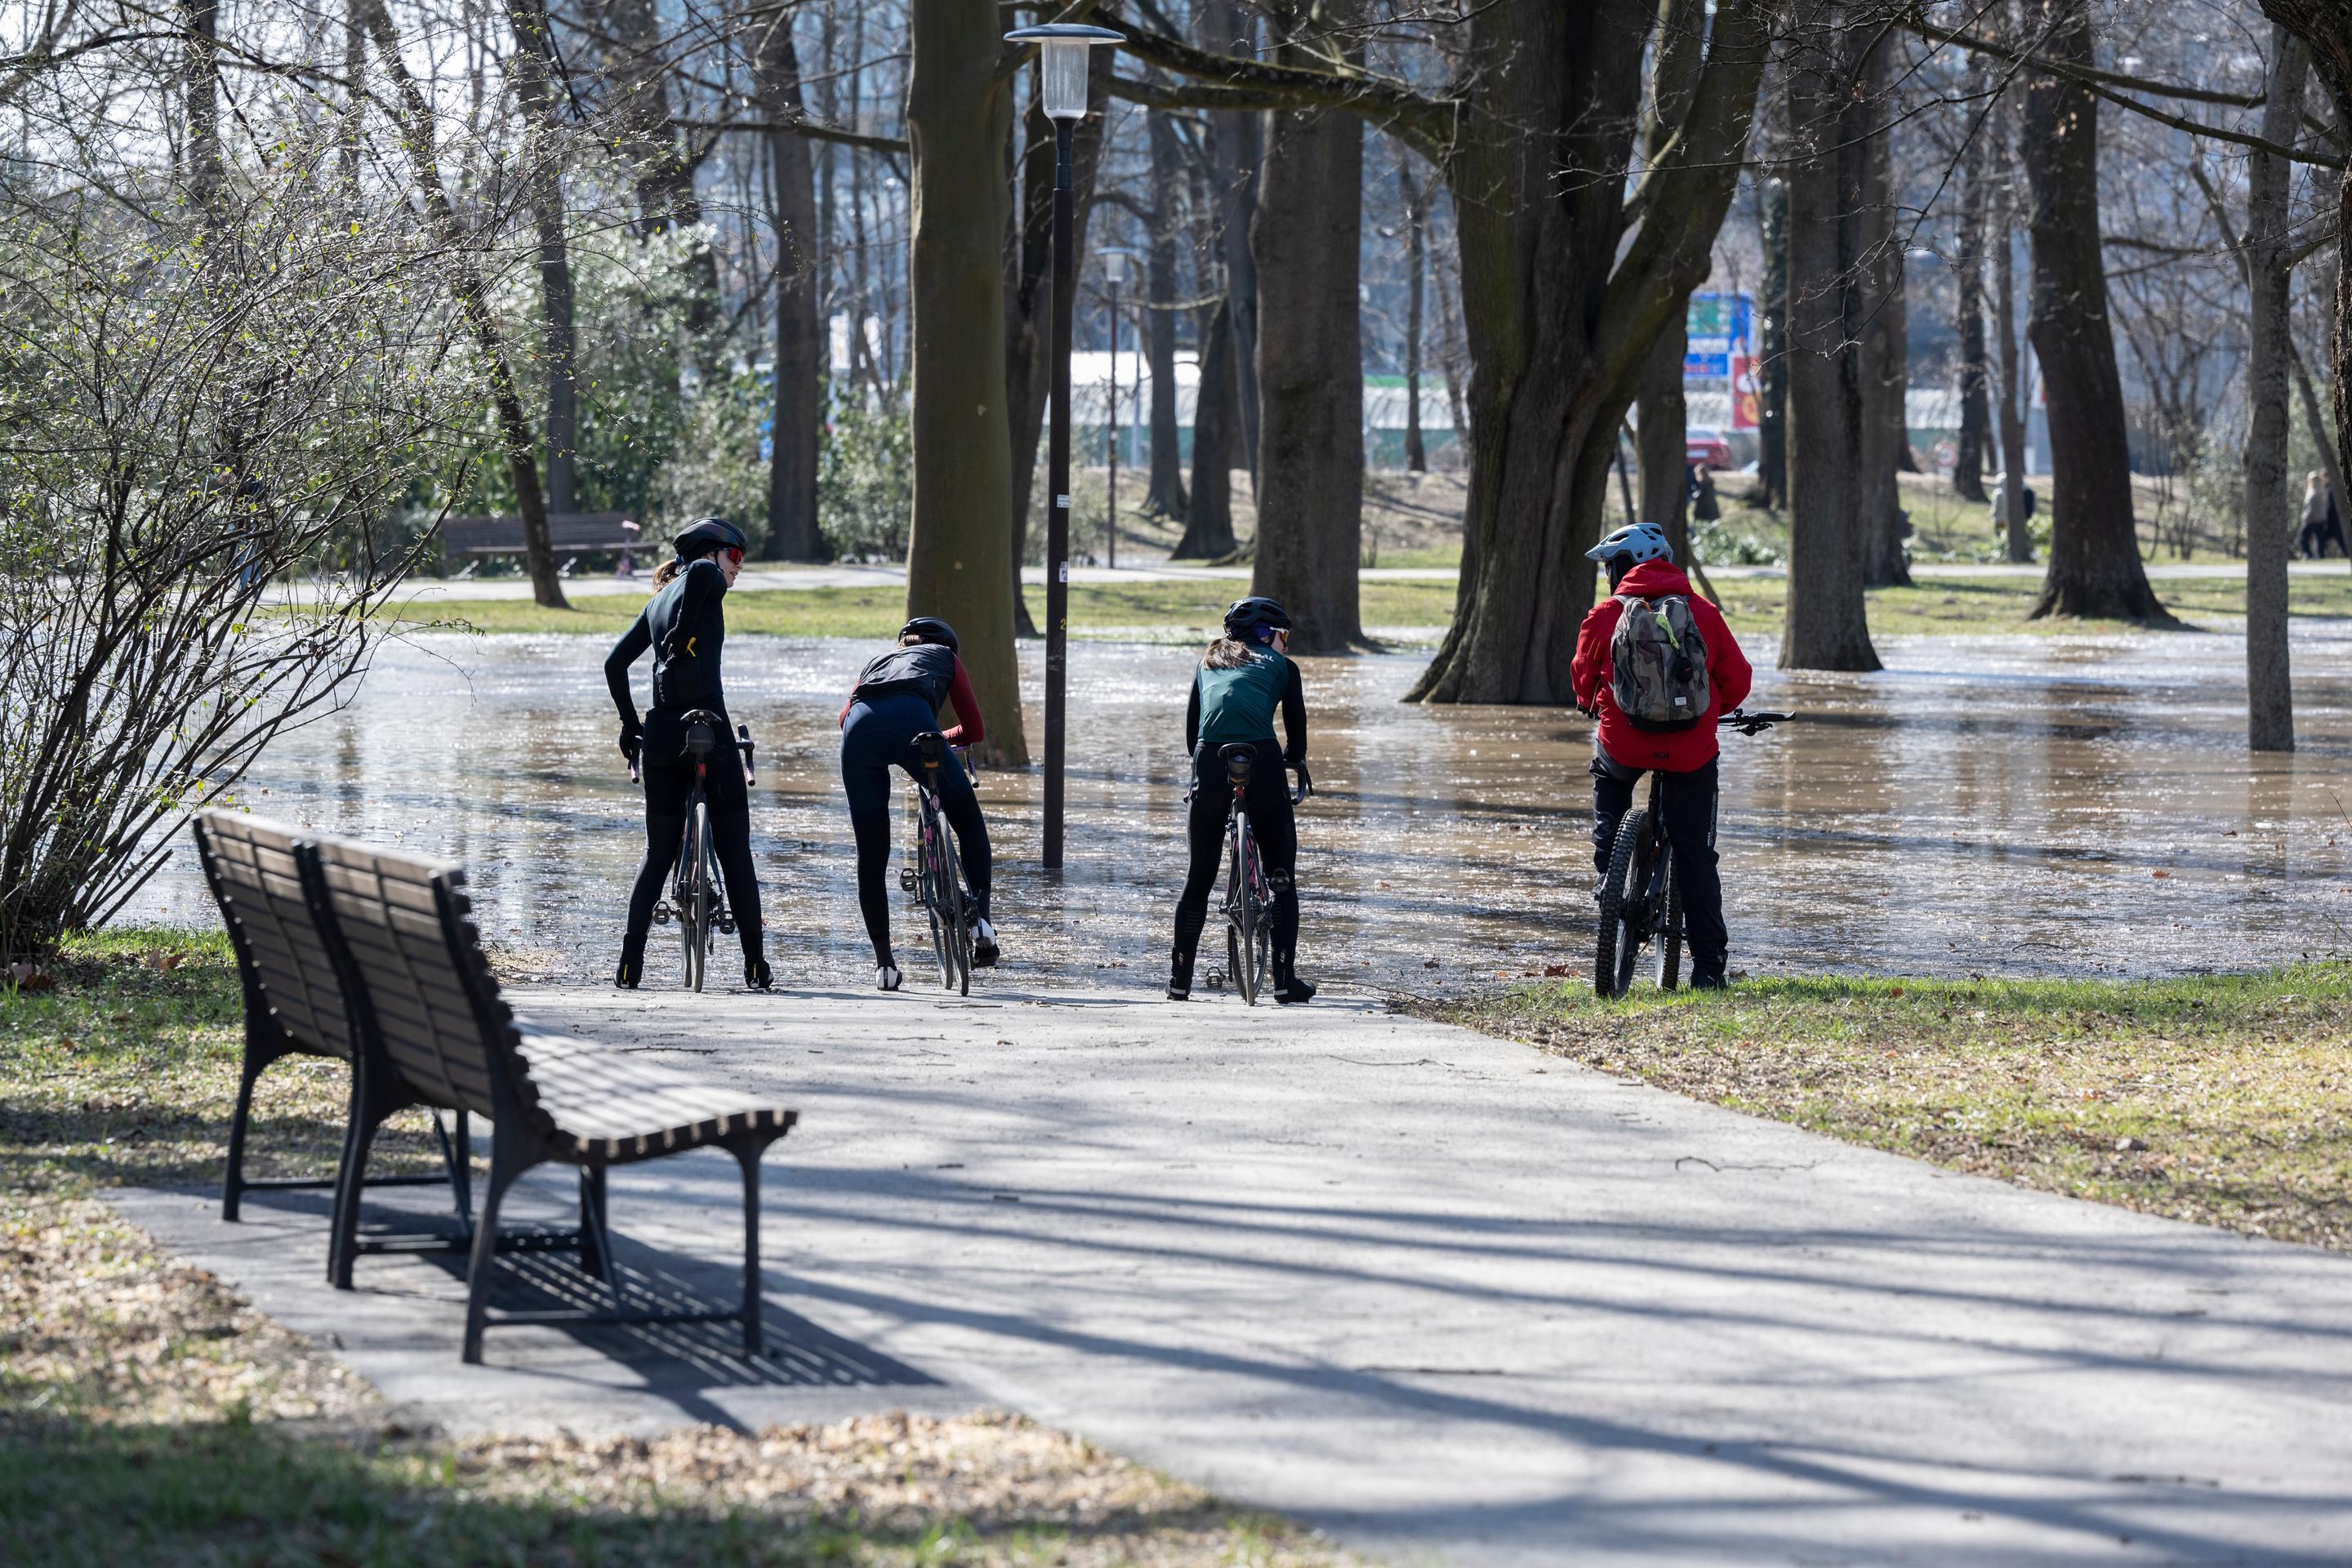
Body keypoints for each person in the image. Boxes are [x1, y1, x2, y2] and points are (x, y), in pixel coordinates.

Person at [1570, 522, 1753, 990]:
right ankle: (1709, 971)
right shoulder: (1704, 613)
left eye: (1610, 566)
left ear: (1623, 568)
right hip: (1691, 749)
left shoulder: (1605, 614)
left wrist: (1593, 701)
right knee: (1696, 856)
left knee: (1609, 775)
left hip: (1624, 742)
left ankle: (1610, 870)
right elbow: (1737, 680)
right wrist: (1709, 713)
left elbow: (1583, 677)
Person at [604, 517, 769, 991]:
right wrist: (681, 630)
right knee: (735, 846)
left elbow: (614, 664)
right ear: (711, 552)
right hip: (710, 728)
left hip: (659, 733)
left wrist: (629, 724)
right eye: (735, 556)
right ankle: (755, 964)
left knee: (659, 851)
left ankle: (630, 965)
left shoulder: (655, 601)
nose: (738, 568)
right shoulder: (704, 575)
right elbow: (700, 574)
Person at [1167, 597, 1315, 1004]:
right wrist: (1295, 760)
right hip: (1263, 761)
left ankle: (1179, 981)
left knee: (1199, 877)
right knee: (1281, 875)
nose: (1286, 644)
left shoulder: (1206, 662)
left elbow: (1191, 732)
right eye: (1283, 635)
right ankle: (1284, 981)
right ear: (1267, 635)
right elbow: (1296, 729)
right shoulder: (1284, 667)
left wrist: (1201, 771)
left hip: (1210, 760)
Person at [839, 617, 995, 991]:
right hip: (915, 725)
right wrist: (942, 736)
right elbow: (974, 731)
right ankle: (982, 922)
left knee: (871, 856)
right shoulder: (945, 657)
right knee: (970, 823)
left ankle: (885, 967)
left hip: (858, 731)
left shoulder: (877, 662)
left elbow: (843, 716)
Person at [2299, 471, 2346, 559]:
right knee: (2320, 539)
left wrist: (2305, 517)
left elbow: (2311, 508)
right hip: (2322, 519)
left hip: (2312, 519)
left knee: (2304, 537)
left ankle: (2309, 554)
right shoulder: (2324, 491)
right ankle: (2319, 555)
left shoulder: (2315, 492)